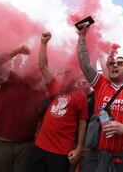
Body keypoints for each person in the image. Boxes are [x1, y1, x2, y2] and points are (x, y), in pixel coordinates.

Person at [77, 25, 123, 172]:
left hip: (122, 157)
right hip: (95, 155)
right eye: (113, 63)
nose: (115, 65)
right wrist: (82, 37)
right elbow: (85, 65)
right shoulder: (101, 84)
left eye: (120, 63)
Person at [0, 45, 46, 172]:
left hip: (25, 148)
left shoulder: (43, 94)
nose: (36, 69)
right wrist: (15, 51)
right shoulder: (13, 79)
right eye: (33, 66)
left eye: (40, 67)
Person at [28, 32, 88, 172]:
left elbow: (83, 123)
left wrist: (79, 148)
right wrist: (43, 43)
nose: (64, 74)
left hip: (61, 152)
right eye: (64, 72)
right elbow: (43, 66)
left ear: (75, 77)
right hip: (39, 146)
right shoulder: (56, 87)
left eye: (68, 73)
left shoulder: (80, 96)